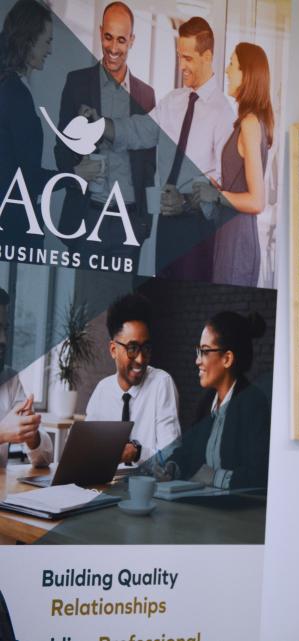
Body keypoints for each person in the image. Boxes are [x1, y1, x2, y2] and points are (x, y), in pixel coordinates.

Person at [91, 16, 234, 281]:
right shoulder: (173, 101)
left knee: (184, 304)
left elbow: (223, 186)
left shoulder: (224, 114)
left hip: (198, 232)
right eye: (180, 57)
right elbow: (137, 131)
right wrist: (100, 126)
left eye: (188, 58)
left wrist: (185, 202)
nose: (182, 66)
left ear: (207, 56)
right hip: (165, 226)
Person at [54, 1, 156, 273]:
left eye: (121, 40)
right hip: (87, 216)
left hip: (128, 224)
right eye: (108, 37)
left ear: (132, 40)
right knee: (86, 304)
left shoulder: (146, 96)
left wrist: (144, 223)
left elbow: (150, 166)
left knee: (121, 303)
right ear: (100, 32)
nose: (113, 48)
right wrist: (76, 171)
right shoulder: (77, 83)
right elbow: (60, 150)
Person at [192, 42, 274, 287]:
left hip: (238, 242)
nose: (226, 71)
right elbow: (239, 188)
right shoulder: (246, 122)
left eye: (232, 64)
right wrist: (216, 189)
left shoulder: (250, 124)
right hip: (230, 236)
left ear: (247, 74)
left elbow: (256, 201)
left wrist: (217, 196)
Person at [159, 311, 269, 489]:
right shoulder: (206, 403)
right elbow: (187, 451)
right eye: (198, 351)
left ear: (227, 359)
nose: (197, 361)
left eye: (204, 352)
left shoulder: (253, 403)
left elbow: (260, 475)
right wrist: (172, 467)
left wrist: (214, 477)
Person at [85, 293, 180, 466]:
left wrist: (136, 453)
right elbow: (86, 449)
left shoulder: (161, 384)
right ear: (113, 349)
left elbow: (171, 459)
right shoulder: (102, 391)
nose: (141, 359)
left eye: (146, 348)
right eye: (132, 348)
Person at [0, 0, 55, 252]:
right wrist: (74, 175)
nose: (50, 50)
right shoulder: (16, 94)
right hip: (14, 231)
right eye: (47, 42)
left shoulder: (8, 88)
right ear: (28, 41)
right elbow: (28, 179)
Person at [0, 287, 51, 469]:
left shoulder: (10, 379)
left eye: (4, 328)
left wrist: (31, 434)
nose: (4, 339)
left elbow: (45, 459)